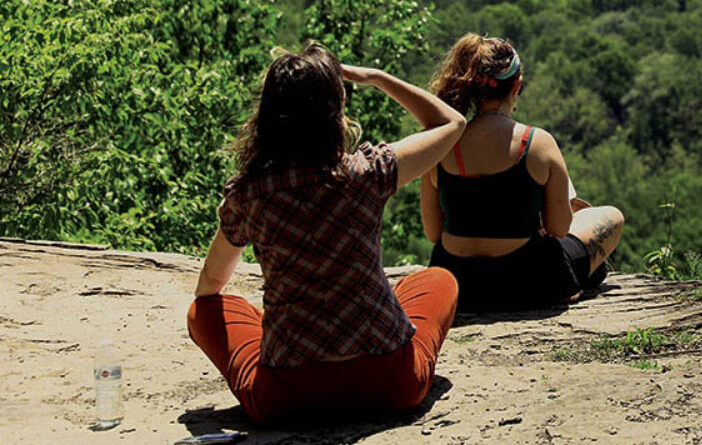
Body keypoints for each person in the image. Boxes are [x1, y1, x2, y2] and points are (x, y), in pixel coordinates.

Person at [187, 42, 466, 424]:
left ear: (267, 118)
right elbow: (452, 124)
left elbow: (210, 287)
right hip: (391, 384)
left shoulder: (248, 194)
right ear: (335, 114)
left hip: (286, 398)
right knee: (438, 280)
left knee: (204, 311)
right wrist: (377, 78)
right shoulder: (369, 173)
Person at [420, 34, 624, 312]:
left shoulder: (442, 143)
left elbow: (433, 232)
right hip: (530, 282)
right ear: (516, 85)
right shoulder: (536, 142)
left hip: (459, 282)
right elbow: (559, 229)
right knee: (610, 215)